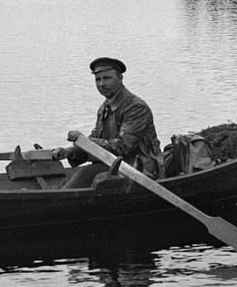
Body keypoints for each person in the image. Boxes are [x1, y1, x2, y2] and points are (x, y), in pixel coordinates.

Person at [54, 57, 163, 188]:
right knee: (70, 176)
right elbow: (96, 141)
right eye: (98, 79)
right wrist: (70, 152)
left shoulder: (136, 107)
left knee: (85, 173)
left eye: (107, 78)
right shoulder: (104, 108)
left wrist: (84, 140)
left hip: (139, 168)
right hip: (114, 164)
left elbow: (123, 147)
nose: (101, 84)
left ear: (120, 79)